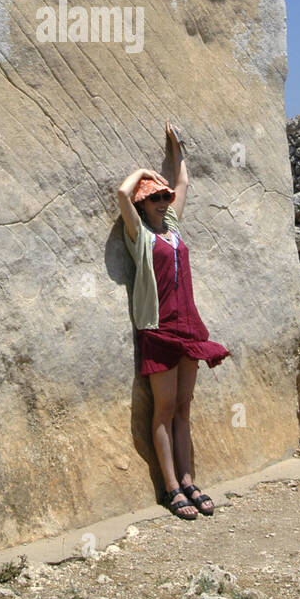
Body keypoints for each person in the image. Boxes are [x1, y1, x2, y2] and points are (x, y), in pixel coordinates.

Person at [118, 120, 230, 520]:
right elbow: (120, 193)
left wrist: (176, 149)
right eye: (155, 198)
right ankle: (170, 487)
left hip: (189, 327)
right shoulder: (141, 237)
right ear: (144, 205)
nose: (164, 201)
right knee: (162, 410)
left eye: (164, 196)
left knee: (184, 407)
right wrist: (144, 176)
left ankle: (189, 480)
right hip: (159, 329)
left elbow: (184, 184)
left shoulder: (175, 230)